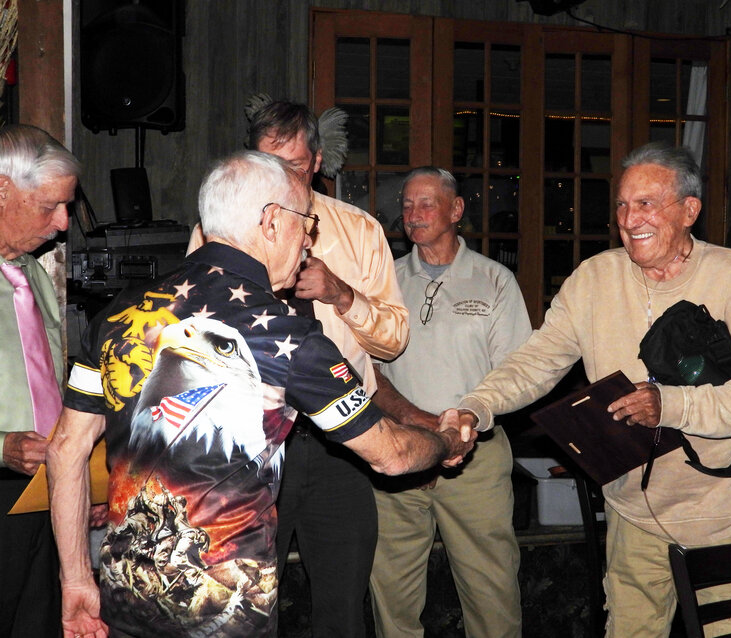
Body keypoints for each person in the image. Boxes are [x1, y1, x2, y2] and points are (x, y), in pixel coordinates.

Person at [46, 151, 474, 638]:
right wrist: (444, 442)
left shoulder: (119, 314)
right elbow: (392, 455)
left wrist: (76, 578)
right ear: (272, 221)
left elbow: (65, 448)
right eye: (306, 225)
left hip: (124, 604)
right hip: (227, 615)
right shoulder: (287, 335)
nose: (309, 242)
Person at [451, 142, 731, 638]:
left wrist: (671, 404)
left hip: (722, 519)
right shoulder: (595, 278)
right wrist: (478, 405)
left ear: (690, 210)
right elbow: (537, 359)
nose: (629, 217)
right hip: (634, 517)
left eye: (646, 203)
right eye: (621, 203)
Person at [190, 97, 410, 637]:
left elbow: (393, 343)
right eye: (265, 163)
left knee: (342, 602)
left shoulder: (359, 230)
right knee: (236, 602)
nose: (277, 178)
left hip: (342, 444)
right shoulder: (217, 231)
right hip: (249, 446)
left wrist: (342, 295)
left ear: (314, 160)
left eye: (289, 165)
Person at [369, 167, 531, 638]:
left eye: (426, 204)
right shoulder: (386, 282)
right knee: (392, 596)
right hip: (397, 452)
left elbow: (515, 372)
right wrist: (415, 429)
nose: (413, 215)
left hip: (475, 455)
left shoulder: (494, 279)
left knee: (492, 592)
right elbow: (367, 370)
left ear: (456, 210)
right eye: (406, 206)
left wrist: (462, 427)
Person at [0, 124, 79, 638]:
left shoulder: (33, 275)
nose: (63, 222)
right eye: (49, 205)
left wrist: (80, 484)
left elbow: (53, 383)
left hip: (43, 491)